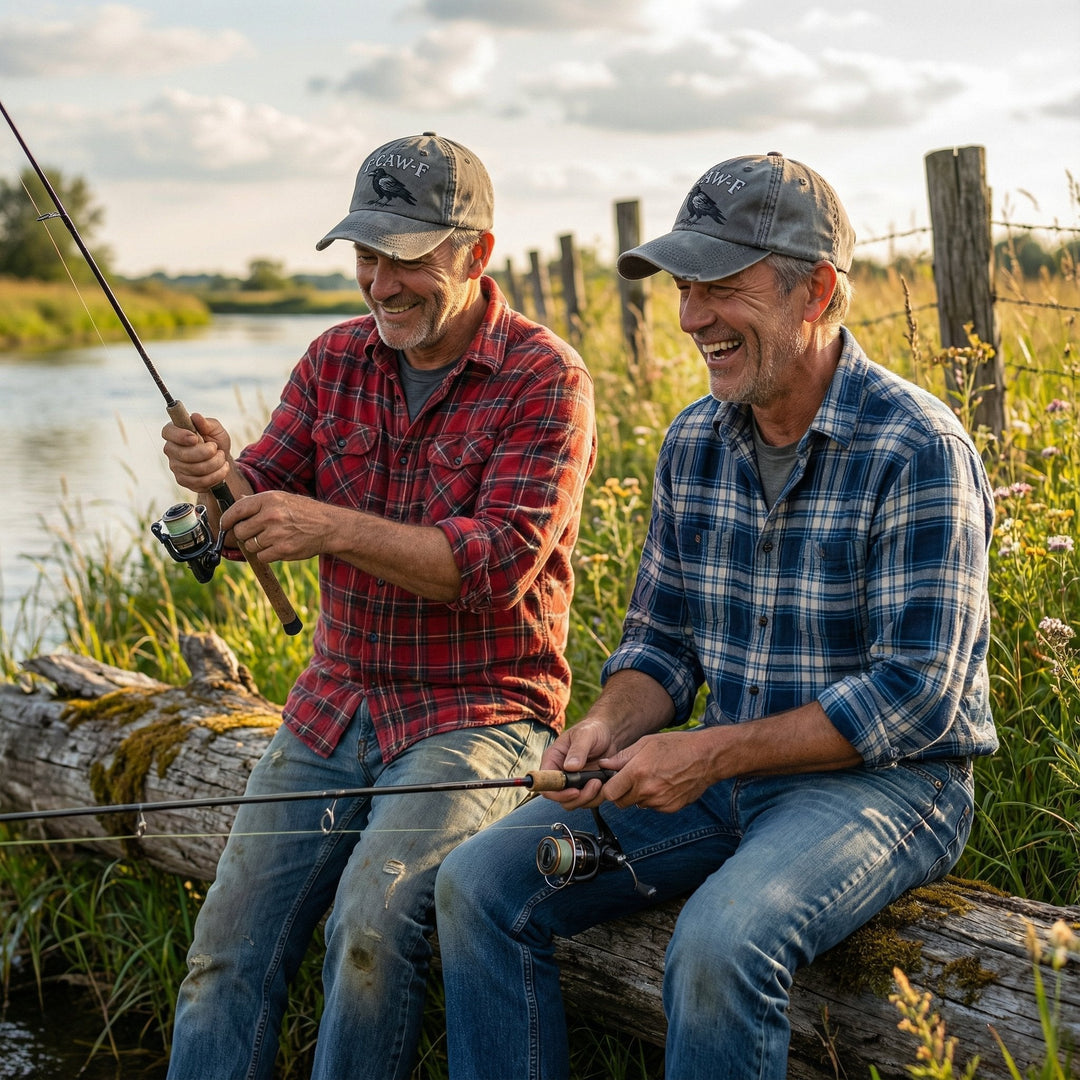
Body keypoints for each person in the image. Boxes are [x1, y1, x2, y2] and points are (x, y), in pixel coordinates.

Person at [434, 151, 998, 1080]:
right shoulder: (695, 438)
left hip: (892, 787)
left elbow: (918, 700)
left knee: (719, 942)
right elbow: (662, 642)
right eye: (685, 288)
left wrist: (709, 753)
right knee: (477, 884)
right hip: (725, 776)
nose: (693, 317)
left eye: (721, 288)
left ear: (816, 291)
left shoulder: (918, 447)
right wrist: (605, 729)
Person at [160, 132, 596, 1080]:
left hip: (478, 714)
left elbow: (497, 565)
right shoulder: (332, 361)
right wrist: (214, 485)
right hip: (332, 705)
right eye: (366, 256)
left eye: (405, 257)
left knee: (367, 928)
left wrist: (331, 527)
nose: (381, 282)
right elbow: (252, 506)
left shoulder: (546, 377)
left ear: (476, 254)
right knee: (221, 951)